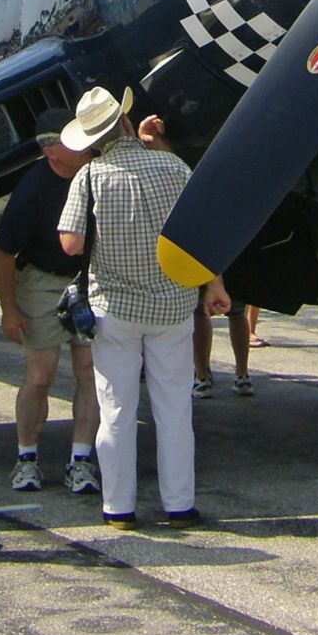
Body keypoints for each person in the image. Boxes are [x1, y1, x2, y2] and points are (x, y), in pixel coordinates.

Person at [57, 86, 230, 531]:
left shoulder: (90, 177)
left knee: (115, 409)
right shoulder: (173, 166)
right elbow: (201, 228)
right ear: (128, 123)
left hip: (114, 307)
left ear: (94, 140)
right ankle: (179, 505)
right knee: (174, 407)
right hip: (172, 305)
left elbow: (71, 243)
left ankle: (119, 508)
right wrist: (214, 283)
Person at [0, 107, 100, 496]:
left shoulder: (97, 173)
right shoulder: (32, 188)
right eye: (73, 139)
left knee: (89, 371)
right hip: (41, 280)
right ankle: (26, 458)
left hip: (90, 281)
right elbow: (3, 252)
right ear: (52, 150)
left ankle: (81, 461)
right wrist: (9, 309)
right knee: (40, 375)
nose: (85, 143)